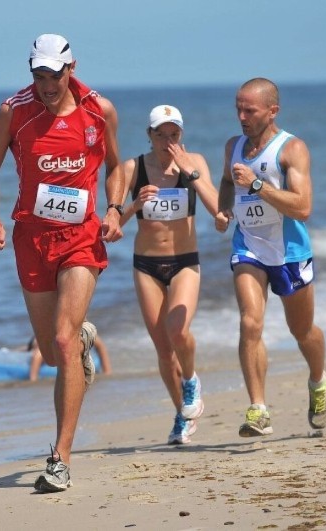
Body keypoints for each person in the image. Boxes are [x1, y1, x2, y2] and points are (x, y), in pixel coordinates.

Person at [0, 34, 125, 493]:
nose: (45, 85)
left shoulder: (99, 110)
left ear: (71, 68)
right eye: (38, 75)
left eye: (53, 75)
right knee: (52, 345)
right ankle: (81, 336)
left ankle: (60, 457)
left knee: (61, 344)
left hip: (81, 237)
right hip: (32, 240)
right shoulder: (13, 112)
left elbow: (118, 166)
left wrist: (116, 209)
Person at [214, 78, 326, 437]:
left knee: (302, 331)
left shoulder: (291, 149)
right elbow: (224, 182)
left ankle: (317, 380)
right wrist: (223, 210)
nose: (241, 116)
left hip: (290, 252)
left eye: (249, 110)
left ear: (272, 111)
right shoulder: (233, 146)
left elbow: (304, 207)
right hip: (248, 246)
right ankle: (258, 409)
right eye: (238, 108)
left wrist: (255, 184)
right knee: (250, 322)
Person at [117, 105, 219, 444]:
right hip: (145, 264)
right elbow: (111, 225)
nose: (167, 140)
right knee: (163, 350)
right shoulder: (133, 168)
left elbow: (219, 213)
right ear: (149, 135)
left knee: (178, 330)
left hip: (185, 261)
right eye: (160, 134)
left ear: (182, 135)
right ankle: (182, 414)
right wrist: (134, 205)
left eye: (173, 134)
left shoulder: (196, 162)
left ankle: (190, 381)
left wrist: (191, 173)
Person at [28, 332, 112, 382]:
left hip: (69, 334)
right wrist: (33, 379)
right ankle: (26, 348)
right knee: (37, 344)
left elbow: (100, 345)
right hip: (45, 338)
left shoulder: (85, 335)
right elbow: (38, 355)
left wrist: (107, 372)